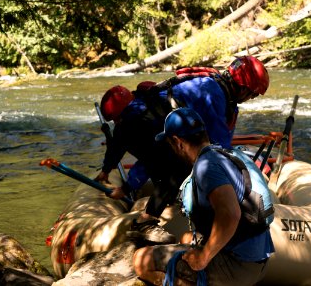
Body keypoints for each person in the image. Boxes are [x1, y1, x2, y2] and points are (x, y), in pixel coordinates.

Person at [95, 56, 269, 244]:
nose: (252, 98)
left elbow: (221, 144)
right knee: (177, 165)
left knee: (183, 160)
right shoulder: (214, 94)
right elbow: (217, 150)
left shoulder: (223, 96)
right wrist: (128, 186)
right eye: (252, 94)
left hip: (156, 126)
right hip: (148, 126)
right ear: (243, 87)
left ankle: (166, 198)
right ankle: (145, 223)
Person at [133, 108, 275, 286]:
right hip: (258, 260)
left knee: (140, 259)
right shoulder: (226, 154)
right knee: (186, 238)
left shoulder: (206, 167)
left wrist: (204, 256)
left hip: (237, 266)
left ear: (178, 142)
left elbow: (230, 214)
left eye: (169, 143)